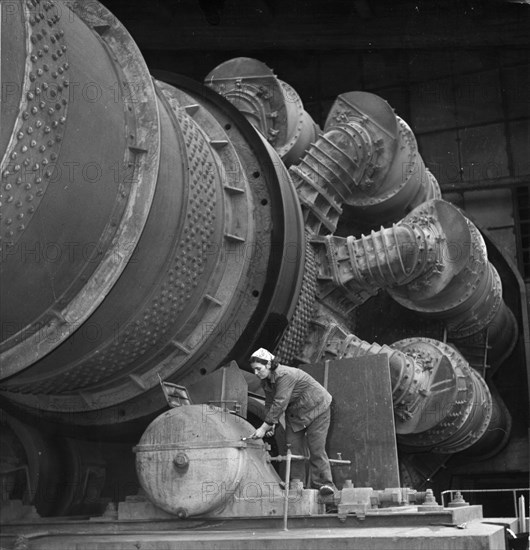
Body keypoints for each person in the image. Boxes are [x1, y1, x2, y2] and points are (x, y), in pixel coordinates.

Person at [249, 347, 336, 496]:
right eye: (254, 370)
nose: (256, 373)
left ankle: (325, 484)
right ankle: (297, 484)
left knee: (316, 447)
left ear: (269, 365)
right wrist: (271, 423)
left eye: (258, 369)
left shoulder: (285, 375)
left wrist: (263, 428)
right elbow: (270, 404)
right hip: (297, 414)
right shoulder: (266, 381)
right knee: (292, 446)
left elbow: (280, 402)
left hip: (317, 409)